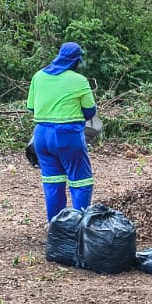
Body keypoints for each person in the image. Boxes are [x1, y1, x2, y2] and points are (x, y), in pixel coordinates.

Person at [26, 41, 97, 222]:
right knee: (81, 181)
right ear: (76, 61)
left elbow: (32, 108)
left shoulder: (38, 77)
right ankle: (79, 224)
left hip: (41, 136)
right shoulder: (79, 81)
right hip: (67, 136)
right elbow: (90, 112)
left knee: (52, 182)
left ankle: (56, 226)